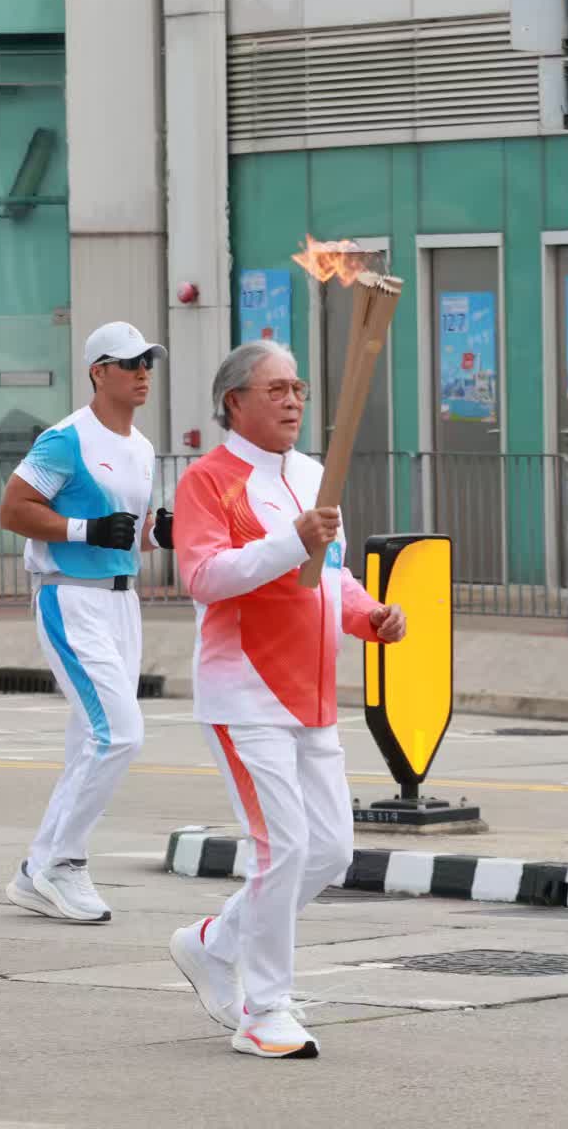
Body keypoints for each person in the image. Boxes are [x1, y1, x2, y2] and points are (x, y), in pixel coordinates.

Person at [165, 340, 407, 1059]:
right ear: (234, 401)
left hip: (313, 695)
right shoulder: (209, 482)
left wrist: (370, 616)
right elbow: (205, 576)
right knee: (282, 847)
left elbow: (329, 579)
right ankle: (263, 1010)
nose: (293, 401)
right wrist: (289, 540)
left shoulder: (313, 476)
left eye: (298, 388)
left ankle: (214, 944)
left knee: (330, 851)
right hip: (243, 692)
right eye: (276, 389)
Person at [0, 322, 175, 923]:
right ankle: (57, 864)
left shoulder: (142, 448)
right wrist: (83, 530)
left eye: (147, 361)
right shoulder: (64, 440)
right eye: (129, 363)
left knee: (91, 743)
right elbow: (14, 508)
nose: (143, 372)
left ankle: (42, 869)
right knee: (118, 734)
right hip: (69, 599)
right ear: (98, 371)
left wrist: (162, 533)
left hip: (123, 603)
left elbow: (131, 535)